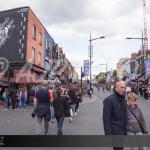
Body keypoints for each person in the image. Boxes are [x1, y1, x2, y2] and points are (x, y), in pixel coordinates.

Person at [103, 81, 127, 150]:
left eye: (124, 88)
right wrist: (108, 135)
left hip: (122, 131)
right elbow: (106, 119)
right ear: (116, 87)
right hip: (115, 132)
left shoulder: (123, 99)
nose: (123, 89)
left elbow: (124, 116)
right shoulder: (109, 100)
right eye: (121, 87)